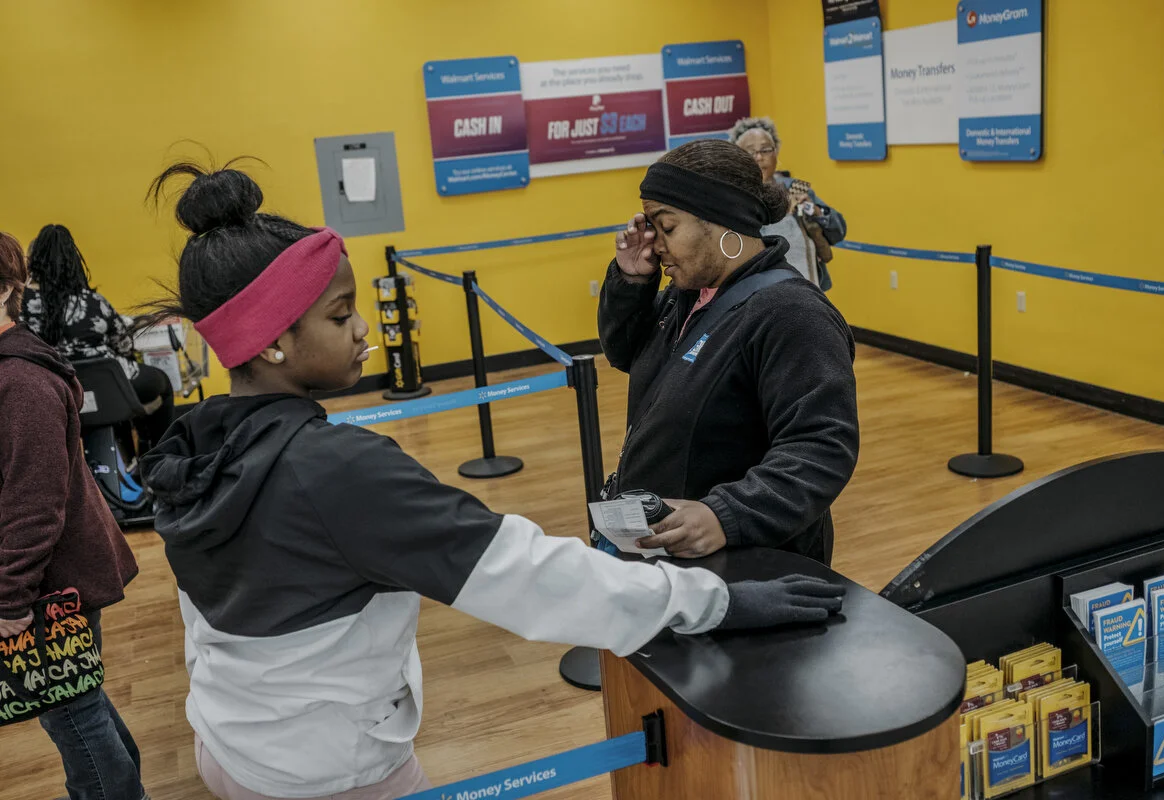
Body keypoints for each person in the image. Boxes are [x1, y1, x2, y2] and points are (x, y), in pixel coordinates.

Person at [137, 161, 847, 800]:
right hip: (331, 770)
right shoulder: (336, 471)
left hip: (233, 741)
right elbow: (525, 573)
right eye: (339, 314)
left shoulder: (201, 443)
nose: (363, 333)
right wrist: (716, 602)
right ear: (271, 340)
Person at [597, 139, 859, 565]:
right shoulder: (688, 295)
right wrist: (631, 283)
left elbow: (821, 447)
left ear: (722, 223)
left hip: (746, 565)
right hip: (673, 556)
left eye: (667, 227)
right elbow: (627, 355)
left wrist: (726, 515)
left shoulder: (793, 314)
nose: (656, 244)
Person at [0, 230, 146, 800]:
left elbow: (33, 506)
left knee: (76, 721)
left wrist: (10, 598)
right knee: (83, 706)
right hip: (43, 575)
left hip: (47, 582)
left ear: (11, 288)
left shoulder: (21, 382)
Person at [22, 224, 175, 448]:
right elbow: (123, 345)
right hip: (109, 389)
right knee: (162, 383)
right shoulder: (94, 303)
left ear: (34, 263)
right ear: (73, 261)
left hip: (55, 394)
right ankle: (156, 454)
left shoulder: (23, 306)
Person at [730, 117, 847, 291]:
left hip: (809, 289)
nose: (759, 157)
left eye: (766, 150)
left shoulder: (796, 189)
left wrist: (815, 211)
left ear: (776, 153)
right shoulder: (733, 197)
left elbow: (839, 231)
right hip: (758, 294)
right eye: (750, 152)